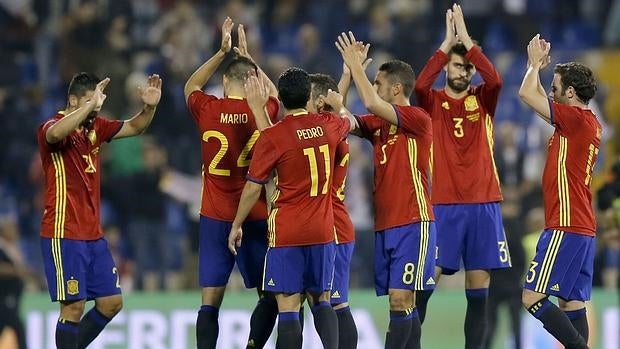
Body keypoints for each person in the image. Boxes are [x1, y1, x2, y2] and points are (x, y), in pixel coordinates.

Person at [228, 67, 355, 349]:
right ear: (309, 95)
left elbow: (253, 187)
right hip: (323, 231)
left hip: (287, 232)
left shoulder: (274, 136)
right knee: (322, 300)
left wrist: (237, 224)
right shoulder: (329, 125)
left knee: (287, 306)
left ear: (281, 100)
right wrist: (340, 103)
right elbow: (347, 120)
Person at [37, 70, 162, 349]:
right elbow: (56, 133)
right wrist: (88, 108)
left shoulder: (95, 128)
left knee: (111, 303)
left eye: (99, 100)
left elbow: (135, 127)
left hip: (92, 234)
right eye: (90, 100)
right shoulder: (52, 126)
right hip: (63, 231)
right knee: (73, 307)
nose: (97, 105)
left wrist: (149, 107)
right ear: (73, 100)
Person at [413, 5, 510, 347]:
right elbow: (420, 83)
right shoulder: (431, 101)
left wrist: (467, 42)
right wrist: (446, 43)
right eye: (458, 65)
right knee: (424, 287)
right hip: (444, 205)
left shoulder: (484, 99)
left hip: (484, 204)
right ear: (447, 68)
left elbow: (495, 78)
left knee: (478, 293)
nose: (465, 71)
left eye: (468, 67)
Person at [336, 31, 436, 349]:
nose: (374, 87)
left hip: (413, 221)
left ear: (396, 88)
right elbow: (340, 119)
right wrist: (347, 74)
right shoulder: (378, 125)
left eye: (378, 82)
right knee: (402, 305)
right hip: (386, 225)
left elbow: (369, 101)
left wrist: (358, 68)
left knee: (400, 299)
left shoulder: (417, 119)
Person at [184, 18, 280, 349]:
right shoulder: (263, 110)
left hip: (214, 215)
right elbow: (277, 95)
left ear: (224, 81)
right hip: (254, 213)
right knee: (268, 294)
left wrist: (221, 51)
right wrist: (250, 57)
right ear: (252, 81)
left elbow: (191, 87)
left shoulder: (208, 109)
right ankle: (253, 344)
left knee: (209, 303)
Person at [518, 34, 600, 349]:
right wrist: (533, 64)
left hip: (565, 225)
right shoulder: (581, 122)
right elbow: (538, 97)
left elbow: (526, 92)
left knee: (532, 296)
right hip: (582, 226)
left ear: (570, 91)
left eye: (555, 87)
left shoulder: (575, 120)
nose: (551, 91)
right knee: (572, 304)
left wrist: (535, 64)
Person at [307, 73, 358, 348]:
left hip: (333, 226)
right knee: (321, 301)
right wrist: (347, 76)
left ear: (319, 102)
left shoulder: (326, 130)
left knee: (336, 303)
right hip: (326, 223)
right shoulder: (332, 126)